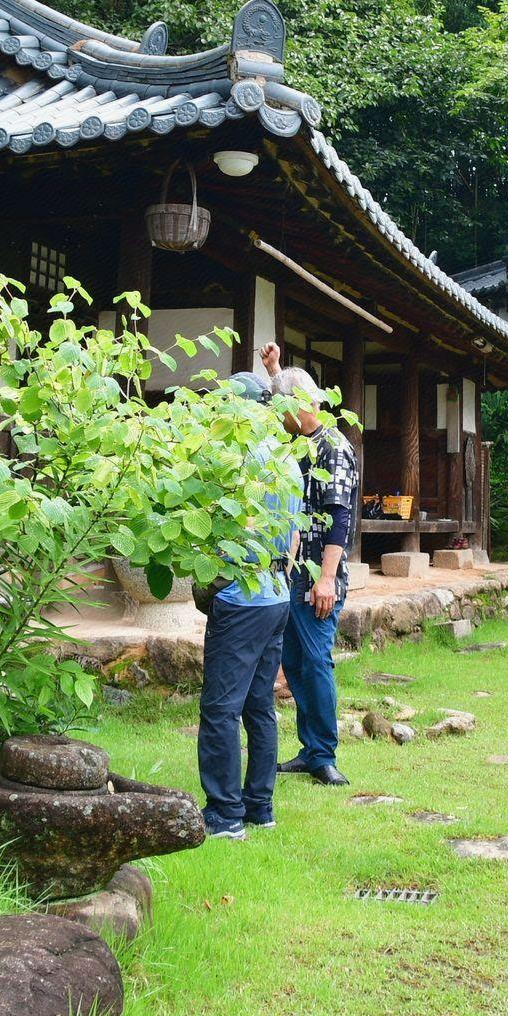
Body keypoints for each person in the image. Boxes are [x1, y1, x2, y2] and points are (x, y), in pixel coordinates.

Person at [197, 372, 302, 840]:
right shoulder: (287, 460)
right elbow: (295, 535)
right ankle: (260, 806)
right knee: (259, 706)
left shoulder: (234, 458)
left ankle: (223, 814)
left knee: (220, 707)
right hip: (278, 592)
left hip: (241, 597)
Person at [260, 343, 357, 787]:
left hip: (319, 573)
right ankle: (310, 749)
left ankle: (324, 755)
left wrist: (327, 578)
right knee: (296, 662)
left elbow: (340, 517)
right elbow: (281, 397)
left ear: (301, 406)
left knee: (316, 660)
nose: (278, 416)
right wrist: (275, 371)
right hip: (295, 572)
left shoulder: (332, 446)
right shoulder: (302, 443)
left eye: (283, 407)